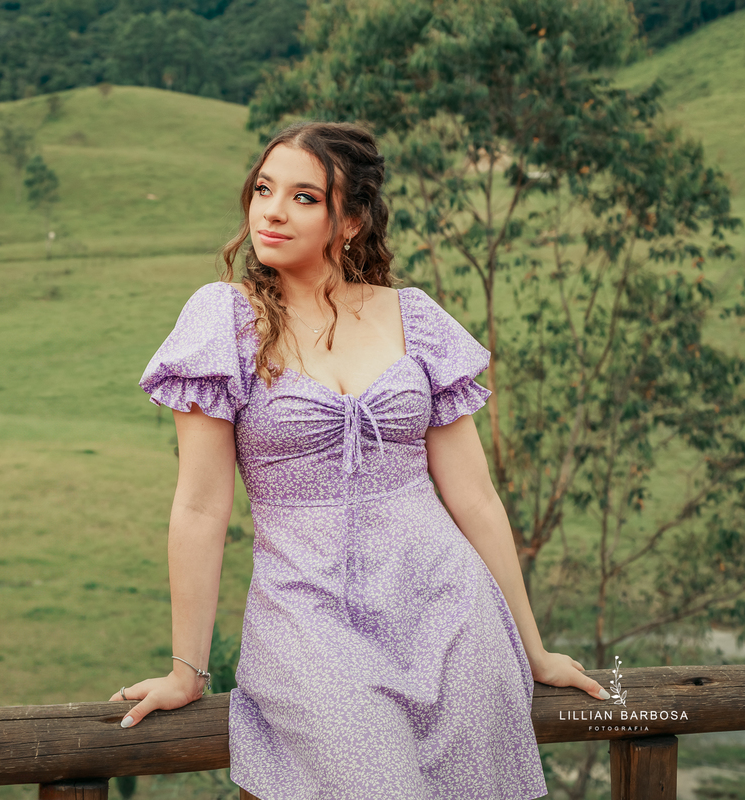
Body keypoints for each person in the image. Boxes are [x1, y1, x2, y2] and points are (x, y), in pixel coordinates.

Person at [109, 121, 612, 799]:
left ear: (350, 220)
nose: (272, 210)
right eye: (263, 188)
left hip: (449, 611)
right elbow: (200, 506)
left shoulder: (416, 317)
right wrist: (186, 671)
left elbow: (476, 498)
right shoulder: (221, 320)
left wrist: (535, 648)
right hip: (308, 617)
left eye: (304, 197)